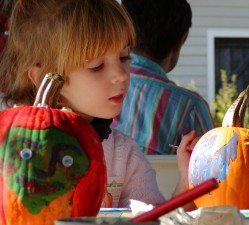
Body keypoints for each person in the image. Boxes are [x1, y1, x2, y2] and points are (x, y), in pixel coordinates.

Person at [0, 0, 196, 209]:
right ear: (43, 78)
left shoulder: (123, 153)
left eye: (124, 57)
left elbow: (152, 219)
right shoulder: (9, 147)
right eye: (96, 66)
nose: (120, 75)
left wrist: (187, 183)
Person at [112, 0, 215, 155]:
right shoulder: (191, 108)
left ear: (122, 30)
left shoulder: (89, 93)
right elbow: (214, 173)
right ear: (181, 39)